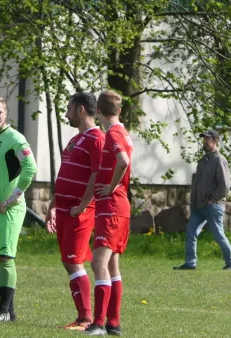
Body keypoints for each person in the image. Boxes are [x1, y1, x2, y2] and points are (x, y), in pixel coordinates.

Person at [45, 92, 105, 331]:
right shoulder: (75, 139)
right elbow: (65, 175)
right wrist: (53, 205)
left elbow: (96, 174)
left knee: (73, 261)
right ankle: (83, 317)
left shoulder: (96, 139)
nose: (66, 114)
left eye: (69, 109)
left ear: (81, 110)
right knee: (69, 260)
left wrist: (82, 205)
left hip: (80, 210)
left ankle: (86, 319)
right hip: (65, 209)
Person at [0, 96, 37, 322]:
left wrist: (14, 197)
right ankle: (9, 312)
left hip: (8, 209)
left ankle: (2, 311)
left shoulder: (14, 138)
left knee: (6, 257)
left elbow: (31, 167)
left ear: (6, 113)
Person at [84, 90, 133, 336]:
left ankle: (99, 323)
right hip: (119, 208)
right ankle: (113, 323)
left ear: (99, 112)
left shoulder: (113, 133)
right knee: (112, 265)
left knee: (98, 263)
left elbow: (123, 161)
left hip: (112, 207)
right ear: (120, 110)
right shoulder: (123, 131)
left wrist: (112, 186)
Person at [173, 130, 231, 271]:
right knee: (191, 233)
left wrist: (212, 200)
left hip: (213, 206)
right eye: (204, 140)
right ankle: (190, 263)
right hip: (198, 206)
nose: (205, 142)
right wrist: (194, 202)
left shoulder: (219, 160)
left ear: (215, 141)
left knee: (218, 235)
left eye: (207, 140)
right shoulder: (204, 160)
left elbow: (225, 185)